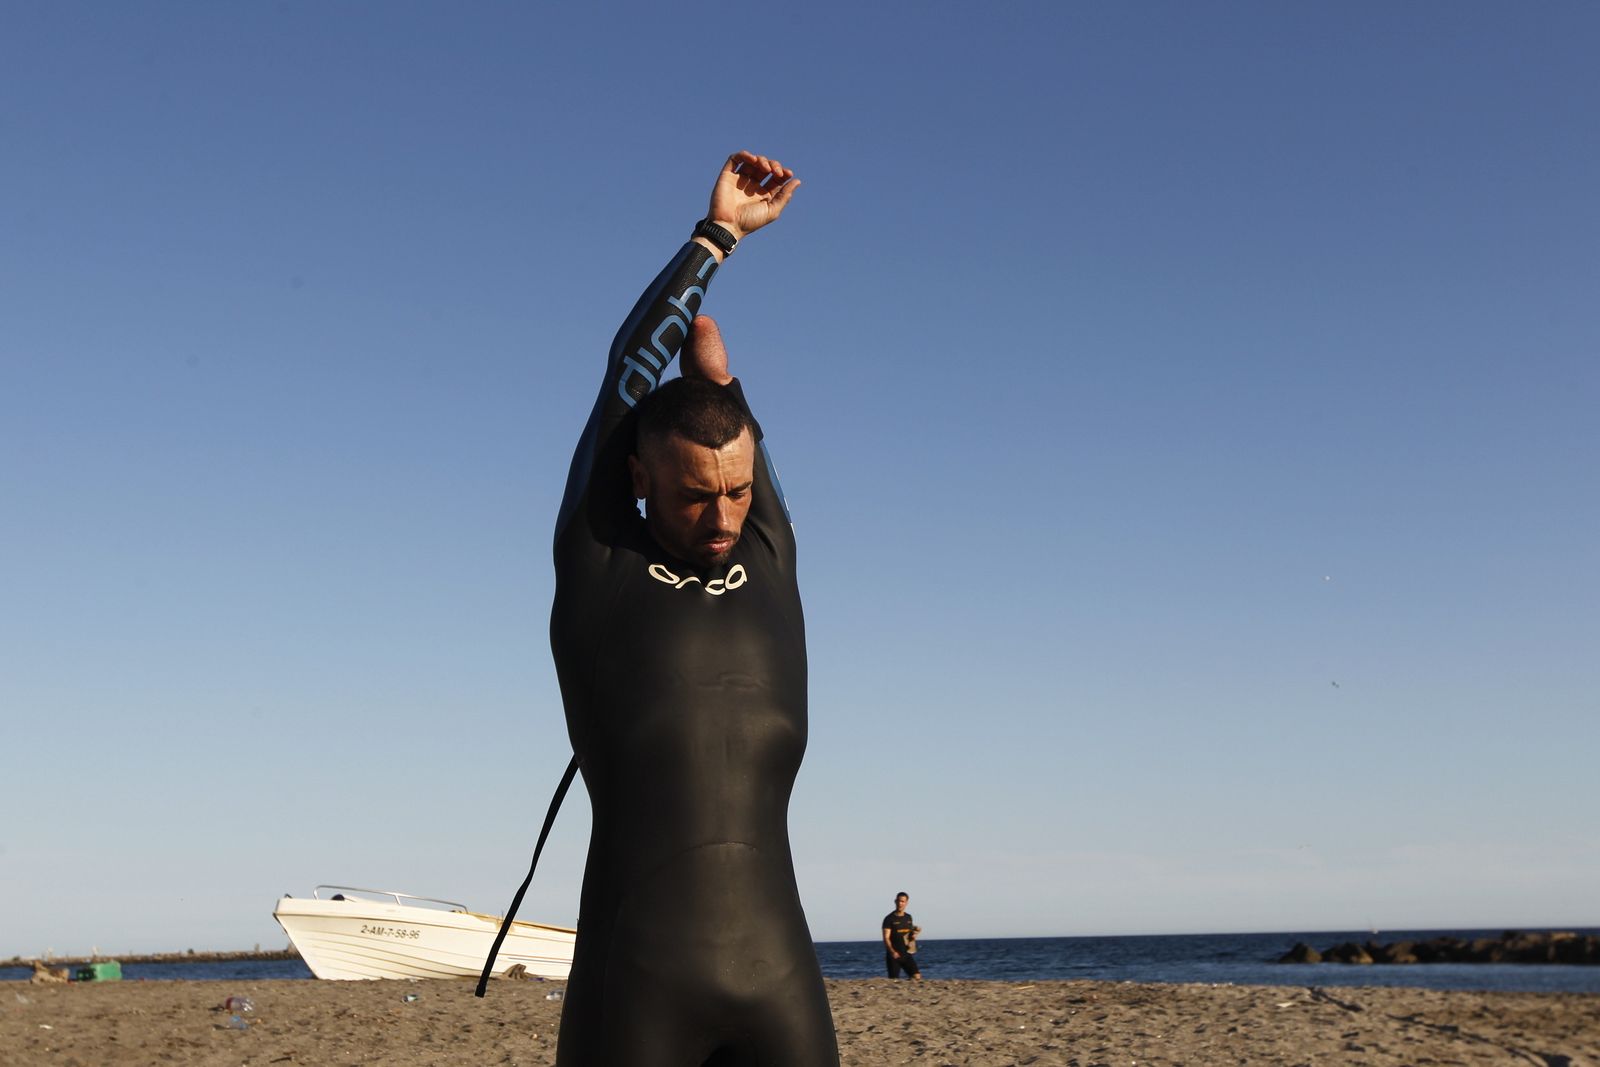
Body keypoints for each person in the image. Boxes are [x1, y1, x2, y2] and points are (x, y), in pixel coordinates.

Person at [548, 152, 838, 1066]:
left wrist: (719, 385)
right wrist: (717, 236)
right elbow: (625, 376)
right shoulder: (601, 557)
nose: (722, 518)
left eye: (738, 492)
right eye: (694, 496)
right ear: (640, 478)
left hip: (779, 976)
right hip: (636, 984)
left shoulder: (770, 552)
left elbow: (735, 442)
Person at [882, 892, 922, 980]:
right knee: (894, 980)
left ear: (906, 903)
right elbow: (886, 938)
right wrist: (892, 952)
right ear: (895, 901)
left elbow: (909, 935)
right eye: (899, 901)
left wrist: (913, 936)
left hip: (906, 954)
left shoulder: (908, 917)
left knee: (916, 977)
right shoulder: (889, 919)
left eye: (903, 901)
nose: (900, 903)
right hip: (894, 955)